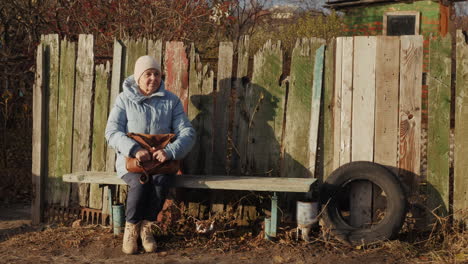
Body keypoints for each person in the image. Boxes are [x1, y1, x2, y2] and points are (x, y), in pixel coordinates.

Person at [105, 55, 196, 254]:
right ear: (138, 77)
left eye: (156, 74)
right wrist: (134, 149)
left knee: (161, 182)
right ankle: (131, 227)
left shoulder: (171, 101)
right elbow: (112, 132)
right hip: (131, 163)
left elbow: (188, 132)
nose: (153, 78)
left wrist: (171, 151)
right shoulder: (124, 100)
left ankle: (146, 228)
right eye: (148, 74)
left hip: (161, 163)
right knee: (140, 183)